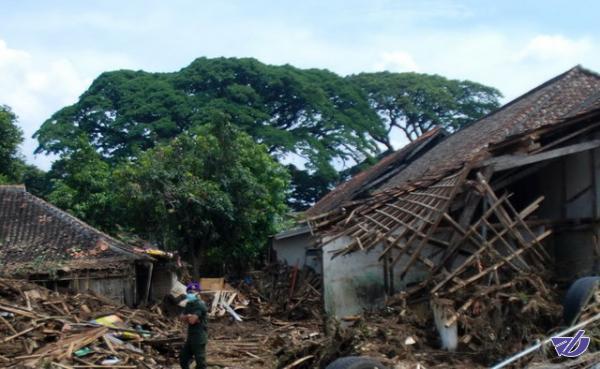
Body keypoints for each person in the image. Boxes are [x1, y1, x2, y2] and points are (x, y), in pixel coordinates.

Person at [179, 288, 208, 369]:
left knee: (200, 361)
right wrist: (188, 316)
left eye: (192, 292)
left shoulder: (200, 305)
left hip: (199, 337)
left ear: (197, 293)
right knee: (183, 358)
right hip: (191, 336)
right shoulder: (189, 304)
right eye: (188, 292)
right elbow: (181, 317)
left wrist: (188, 317)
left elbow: (192, 321)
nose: (189, 294)